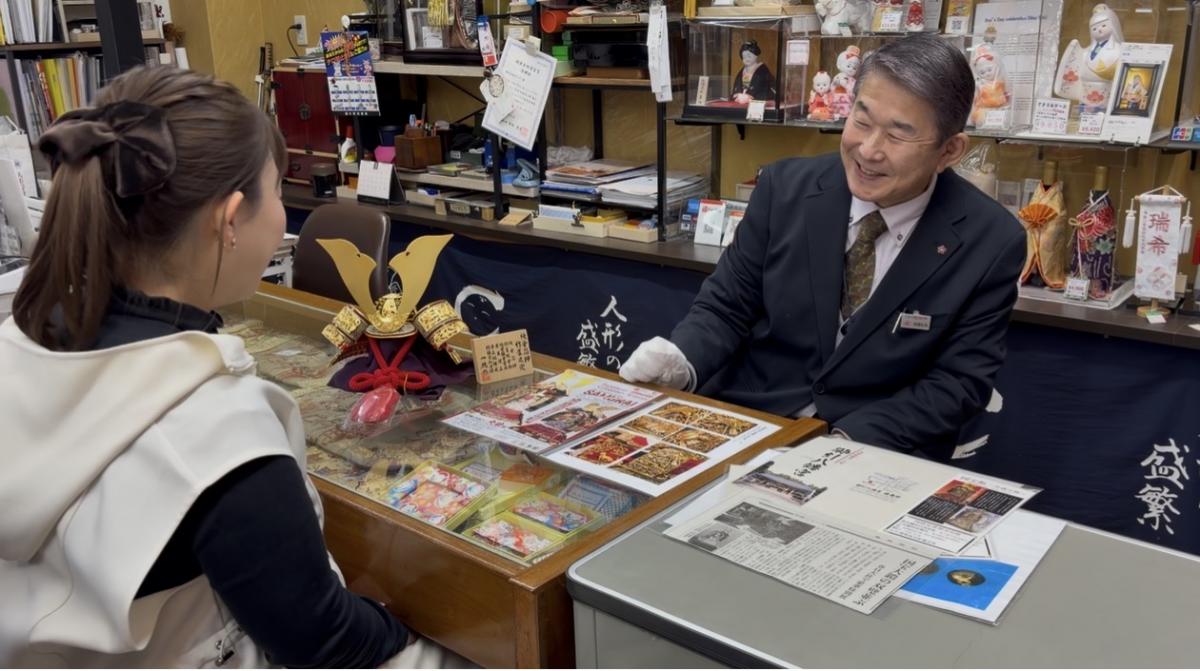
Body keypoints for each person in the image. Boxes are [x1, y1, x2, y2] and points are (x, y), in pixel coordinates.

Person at [0, 67, 457, 667]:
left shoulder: (26, 334)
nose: (281, 221)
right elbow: (321, 638)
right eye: (277, 191)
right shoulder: (214, 431)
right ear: (230, 218)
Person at [620, 34, 1026, 454]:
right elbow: (726, 307)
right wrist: (681, 359)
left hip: (874, 448)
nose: (868, 151)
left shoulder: (989, 241)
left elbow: (957, 383)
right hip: (755, 424)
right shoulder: (783, 190)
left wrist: (842, 444)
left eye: (898, 135)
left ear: (950, 150)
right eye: (861, 121)